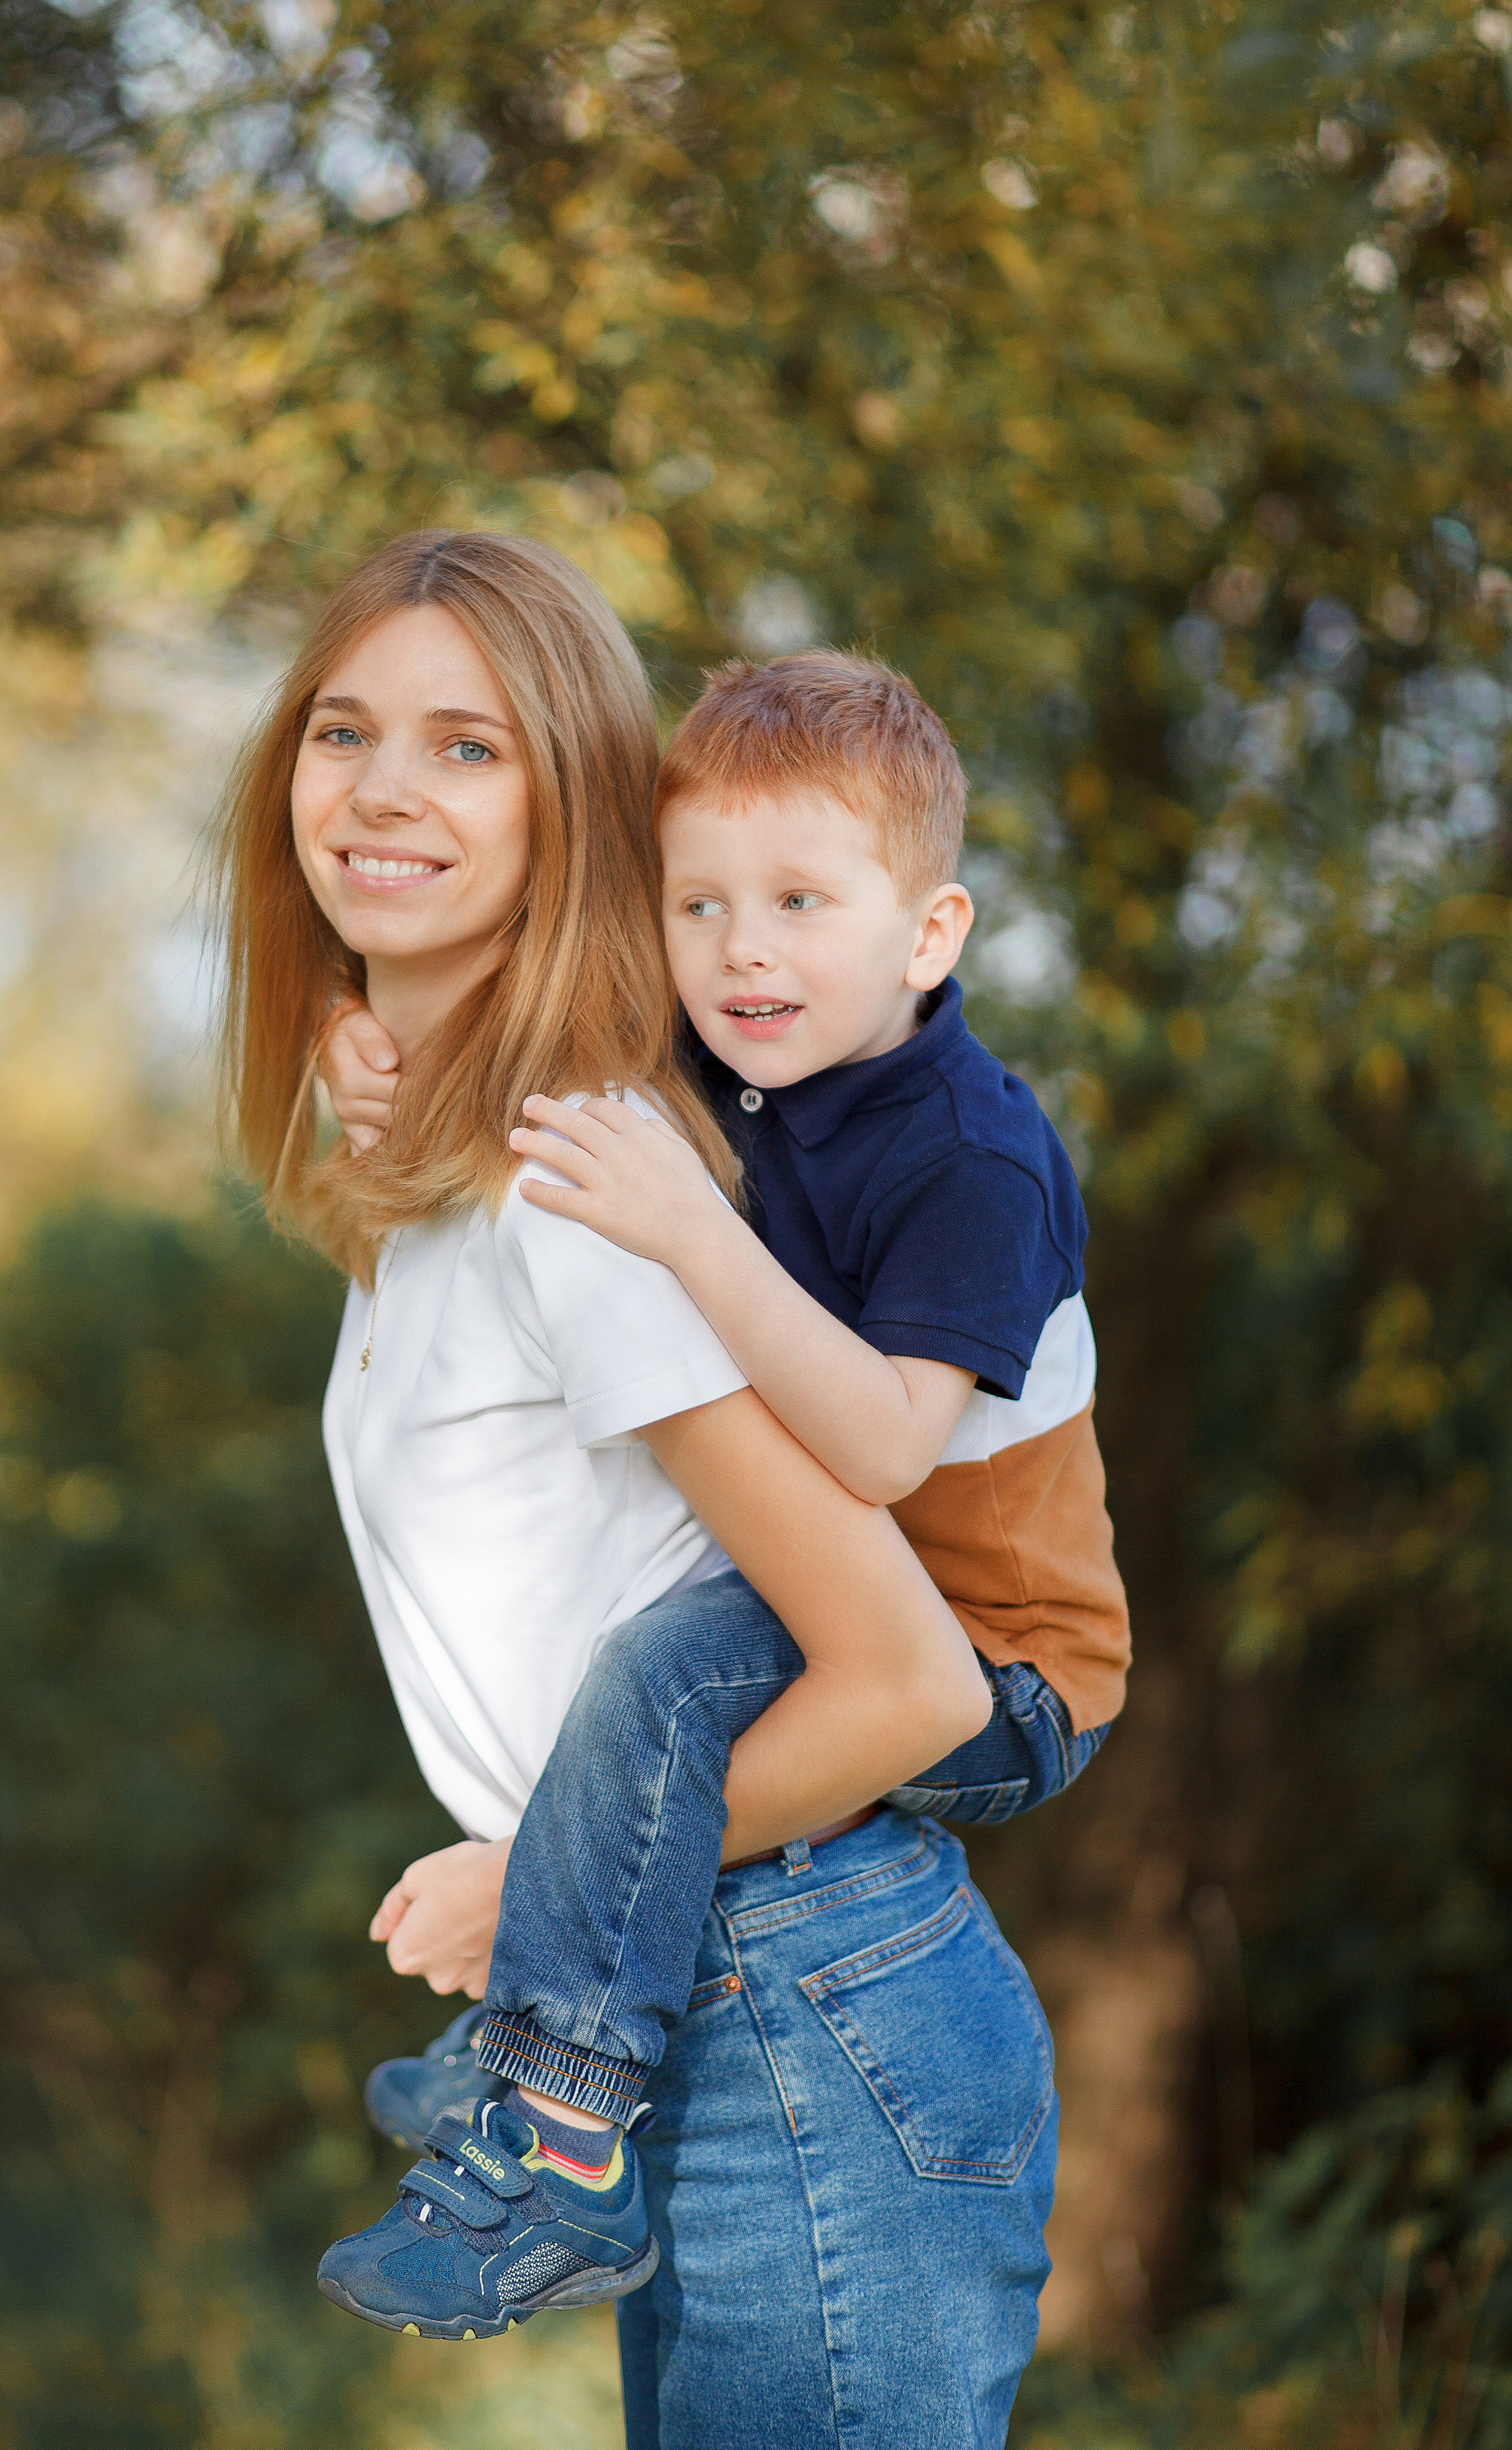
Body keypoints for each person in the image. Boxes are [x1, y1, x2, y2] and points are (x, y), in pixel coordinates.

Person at [216, 528, 1049, 2445]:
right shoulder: (456, 1169)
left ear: (574, 806)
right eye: (344, 730)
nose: (385, 789)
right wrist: (378, 1055)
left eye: (470, 748)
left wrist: (536, 1892)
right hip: (698, 2002)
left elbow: (909, 1686)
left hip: (803, 2001)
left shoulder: (580, 1202)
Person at [329, 652, 1128, 2197]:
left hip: (1004, 1660)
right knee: (666, 1673)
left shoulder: (975, 1156)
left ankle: (556, 2131)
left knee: (661, 1678)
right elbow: (478, 989)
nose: (738, 954)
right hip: (847, 1599)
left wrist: (691, 1234)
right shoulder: (746, 1060)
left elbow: (889, 1451)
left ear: (929, 932)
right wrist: (347, 1039)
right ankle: (537, 2046)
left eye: (796, 905)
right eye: (696, 908)